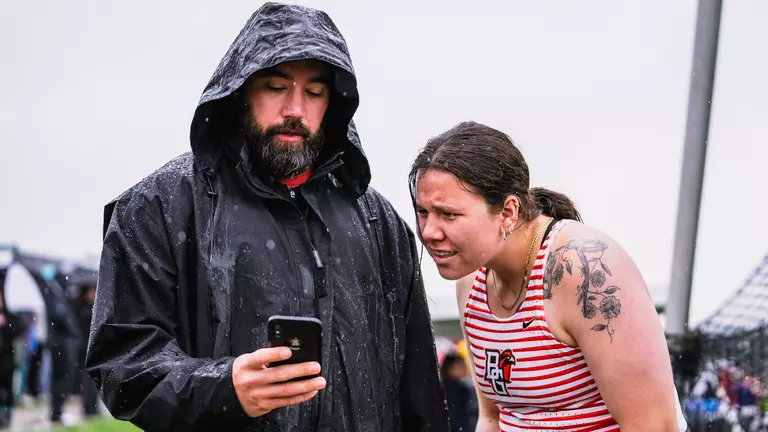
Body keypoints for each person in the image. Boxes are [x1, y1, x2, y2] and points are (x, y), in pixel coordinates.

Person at [85, 3, 448, 431]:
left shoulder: (379, 223)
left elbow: (419, 390)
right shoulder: (160, 207)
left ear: (333, 103)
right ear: (240, 92)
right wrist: (223, 389)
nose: (295, 108)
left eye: (314, 92)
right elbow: (124, 364)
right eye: (276, 87)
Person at [409, 121, 688, 431]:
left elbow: (655, 425)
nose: (429, 232)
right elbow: (493, 417)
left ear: (508, 212)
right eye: (423, 212)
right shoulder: (472, 279)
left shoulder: (585, 268)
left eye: (449, 214)